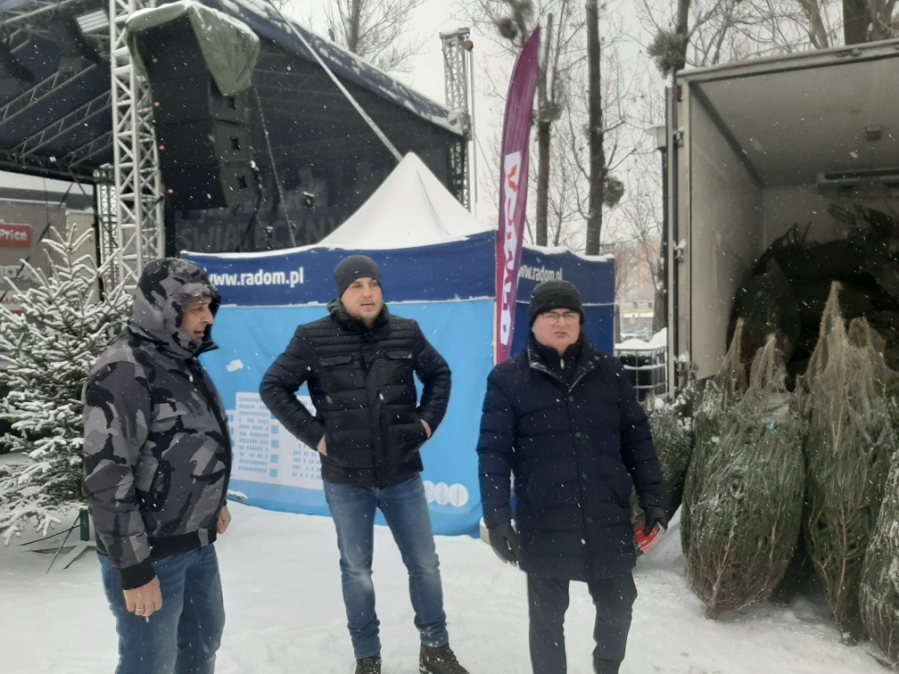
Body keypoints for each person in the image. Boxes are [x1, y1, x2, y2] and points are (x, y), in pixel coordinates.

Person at [259, 255, 470, 674]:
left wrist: (425, 424)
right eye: (357, 286)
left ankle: (435, 648)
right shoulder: (313, 337)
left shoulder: (406, 332)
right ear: (341, 294)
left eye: (373, 284)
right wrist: (317, 437)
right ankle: (367, 657)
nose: (368, 293)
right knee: (356, 570)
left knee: (425, 565)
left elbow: (440, 374)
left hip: (402, 474)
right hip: (346, 480)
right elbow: (273, 386)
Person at [476, 279, 670, 674]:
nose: (561, 322)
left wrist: (654, 498)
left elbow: (637, 440)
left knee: (619, 603)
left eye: (569, 315)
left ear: (580, 321)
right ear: (534, 323)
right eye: (551, 314)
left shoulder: (610, 372)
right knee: (547, 618)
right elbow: (494, 453)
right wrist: (497, 518)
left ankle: (607, 668)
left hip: (606, 514)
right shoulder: (508, 379)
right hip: (544, 516)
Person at [83, 258, 232, 674]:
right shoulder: (124, 369)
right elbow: (107, 475)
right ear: (163, 309)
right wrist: (134, 570)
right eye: (196, 308)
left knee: (201, 649)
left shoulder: (182, 361)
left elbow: (189, 443)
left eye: (209, 306)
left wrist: (213, 501)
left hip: (196, 545)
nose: (207, 317)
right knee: (149, 665)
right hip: (151, 553)